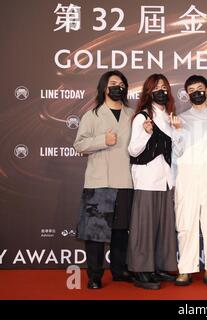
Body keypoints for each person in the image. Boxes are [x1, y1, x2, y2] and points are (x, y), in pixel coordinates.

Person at [74, 70, 134, 289]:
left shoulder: (133, 115)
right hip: (99, 181)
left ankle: (119, 271)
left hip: (125, 181)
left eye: (121, 83)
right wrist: (102, 140)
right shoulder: (92, 115)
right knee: (95, 233)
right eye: (113, 83)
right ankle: (95, 275)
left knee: (121, 230)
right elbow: (79, 145)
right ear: (104, 88)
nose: (118, 86)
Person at [171, 75, 207, 287]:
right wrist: (176, 132)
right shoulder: (180, 119)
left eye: (200, 88)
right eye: (192, 89)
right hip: (187, 176)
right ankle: (185, 269)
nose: (197, 92)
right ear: (187, 93)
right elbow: (177, 152)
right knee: (186, 223)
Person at [127, 74, 178, 290]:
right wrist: (147, 133)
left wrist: (179, 131)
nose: (162, 91)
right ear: (148, 91)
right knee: (144, 227)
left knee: (163, 226)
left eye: (164, 87)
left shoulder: (170, 117)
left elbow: (176, 152)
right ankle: (141, 270)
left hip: (166, 180)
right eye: (157, 87)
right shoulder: (142, 117)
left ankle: (159, 266)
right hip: (147, 179)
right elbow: (133, 150)